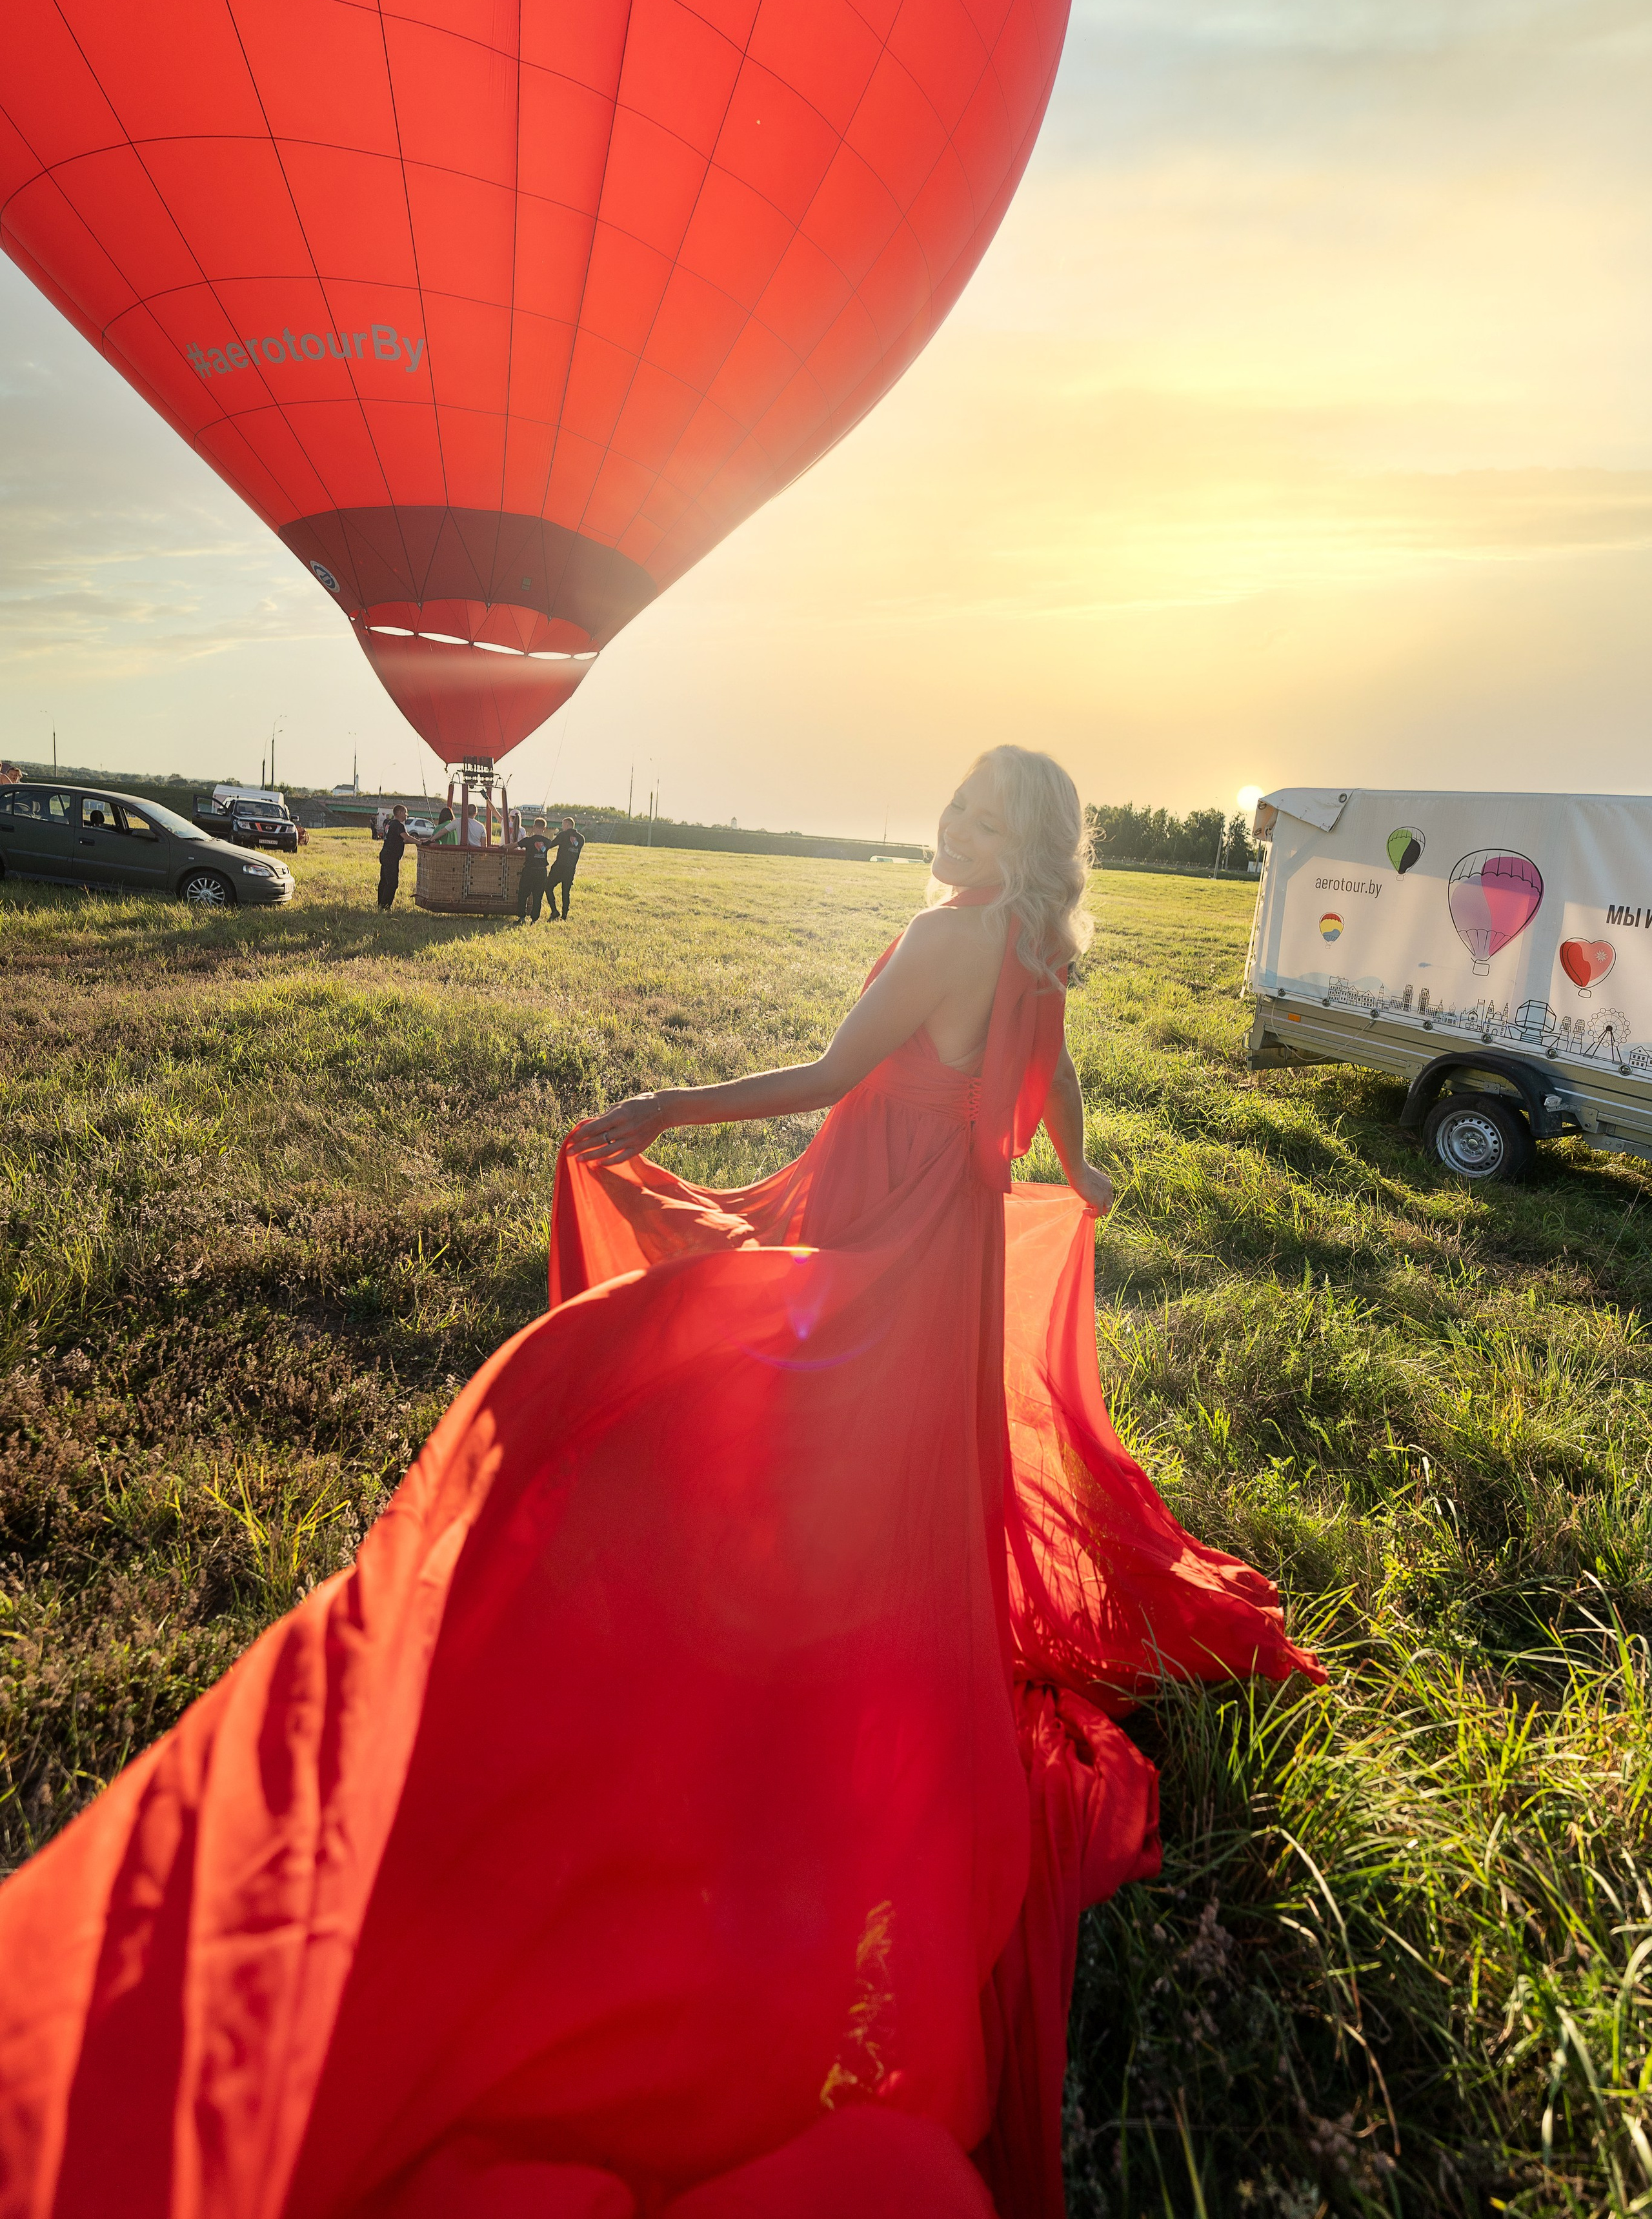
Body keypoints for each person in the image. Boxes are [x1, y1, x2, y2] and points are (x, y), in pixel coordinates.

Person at [0, 746, 1319, 2219]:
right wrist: (1080, 1175)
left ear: (1018, 843)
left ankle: (733, 1635)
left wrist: (662, 1105)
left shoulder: (955, 932)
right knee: (882, 1475)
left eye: (977, 815)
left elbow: (826, 1074)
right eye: (947, 802)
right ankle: (842, 1628)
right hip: (938, 1255)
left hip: (879, 1249)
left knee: (664, 1379)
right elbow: (1050, 1077)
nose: (948, 826)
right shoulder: (1027, 947)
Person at [547, 812, 585, 918]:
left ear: (568, 825)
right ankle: (564, 915)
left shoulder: (563, 835)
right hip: (571, 869)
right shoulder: (581, 838)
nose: (562, 827)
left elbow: (551, 845)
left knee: (548, 887)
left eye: (563, 825)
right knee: (566, 892)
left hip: (559, 867)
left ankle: (554, 911)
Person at [516, 816, 552, 923]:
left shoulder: (528, 840)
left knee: (523, 894)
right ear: (544, 828)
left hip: (529, 871)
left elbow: (515, 845)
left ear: (534, 827)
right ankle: (534, 919)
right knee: (538, 896)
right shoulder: (548, 842)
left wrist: (503, 847)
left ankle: (522, 917)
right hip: (542, 872)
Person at [377, 803, 409, 910]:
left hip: (385, 854)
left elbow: (400, 840)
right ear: (399, 813)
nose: (407, 815)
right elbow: (407, 838)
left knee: (384, 881)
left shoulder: (390, 824)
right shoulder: (399, 825)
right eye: (405, 813)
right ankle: (385, 906)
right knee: (392, 883)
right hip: (391, 856)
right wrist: (422, 843)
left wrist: (419, 841)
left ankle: (381, 904)